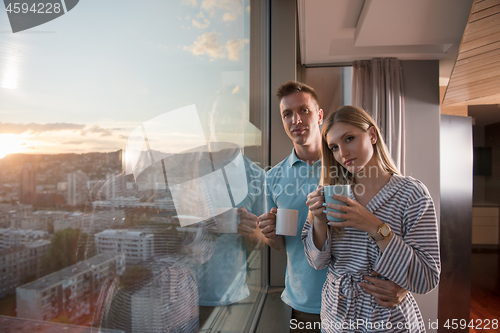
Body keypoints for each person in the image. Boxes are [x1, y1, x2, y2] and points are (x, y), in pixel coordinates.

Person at [259, 81, 409, 332]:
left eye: (304, 110)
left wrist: (404, 282)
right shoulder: (273, 177)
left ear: (319, 115)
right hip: (303, 302)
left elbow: (394, 224)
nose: (296, 119)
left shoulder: (350, 164)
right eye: (287, 114)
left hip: (361, 303)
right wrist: (270, 235)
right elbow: (281, 243)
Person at [303, 105, 441, 332]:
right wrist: (318, 221)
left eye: (349, 139)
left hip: (388, 321)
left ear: (372, 135)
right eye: (334, 147)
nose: (343, 154)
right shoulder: (331, 192)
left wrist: (374, 226)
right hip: (337, 320)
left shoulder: (412, 194)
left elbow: (426, 277)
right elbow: (317, 263)